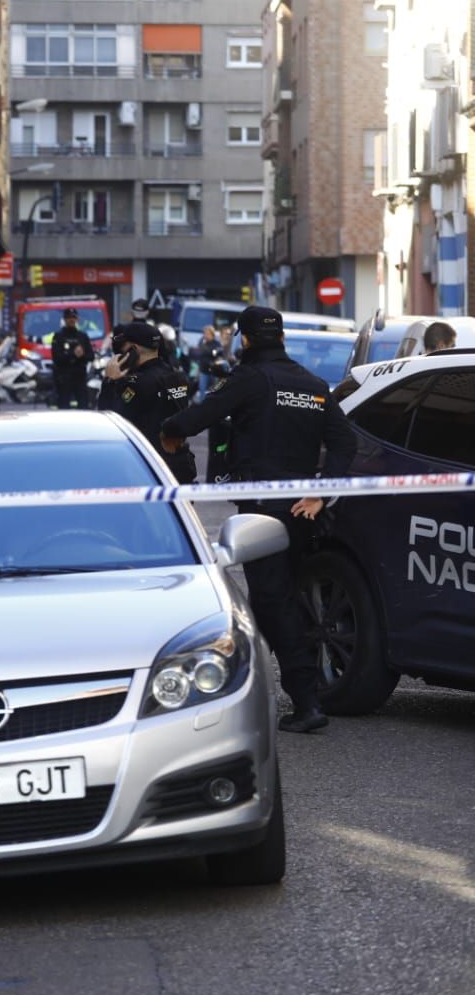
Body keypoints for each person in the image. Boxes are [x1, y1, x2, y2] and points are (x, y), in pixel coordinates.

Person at [160, 306, 358, 733]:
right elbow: (344, 443)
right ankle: (265, 683)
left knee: (272, 601)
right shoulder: (310, 383)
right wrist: (320, 492)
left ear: (245, 340)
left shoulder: (250, 378)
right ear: (282, 337)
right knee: (280, 598)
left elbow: (197, 418)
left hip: (264, 511)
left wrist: (166, 428)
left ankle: (305, 703)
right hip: (302, 513)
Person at [96, 321, 196, 483]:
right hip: (178, 464)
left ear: (133, 349)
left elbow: (109, 419)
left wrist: (110, 382)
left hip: (146, 467)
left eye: (124, 348)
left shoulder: (138, 383)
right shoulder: (177, 376)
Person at [49, 307, 94, 409]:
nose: (71, 320)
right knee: (64, 407)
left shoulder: (82, 336)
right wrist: (73, 355)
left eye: (73, 317)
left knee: (83, 406)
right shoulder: (59, 336)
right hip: (64, 378)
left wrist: (82, 355)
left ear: (77, 319)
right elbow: (56, 358)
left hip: (80, 377)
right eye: (69, 317)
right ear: (64, 319)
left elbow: (91, 356)